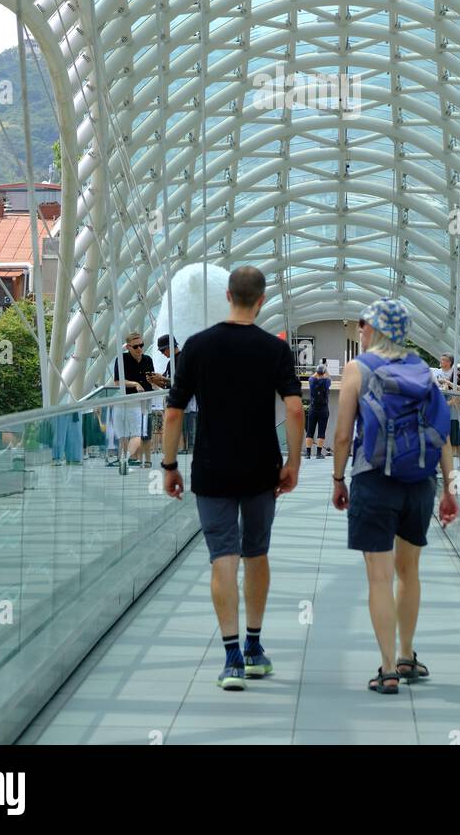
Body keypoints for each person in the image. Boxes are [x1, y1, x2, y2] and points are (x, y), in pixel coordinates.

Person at [163, 265, 305, 691]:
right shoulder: (275, 350)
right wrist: (293, 462)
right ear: (261, 300)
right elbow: (296, 410)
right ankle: (255, 647)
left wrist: (169, 465)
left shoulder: (197, 347)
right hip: (261, 465)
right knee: (256, 553)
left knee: (222, 557)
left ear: (228, 295)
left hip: (211, 467)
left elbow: (173, 412)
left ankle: (231, 659)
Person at [331, 298, 459, 694]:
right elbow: (442, 435)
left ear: (375, 328)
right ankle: (407, 656)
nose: (360, 330)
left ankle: (387, 669)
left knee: (379, 577)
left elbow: (341, 434)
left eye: (364, 325)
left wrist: (338, 479)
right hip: (419, 484)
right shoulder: (423, 370)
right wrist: (450, 488)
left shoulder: (358, 369)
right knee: (409, 572)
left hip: (374, 479)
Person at [112, 332, 158, 470]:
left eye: (141, 345)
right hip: (130, 402)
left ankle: (146, 459)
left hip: (146, 400)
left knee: (146, 430)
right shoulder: (122, 359)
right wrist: (135, 384)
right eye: (136, 346)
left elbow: (152, 380)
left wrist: (158, 384)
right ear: (128, 347)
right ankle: (130, 458)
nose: (139, 349)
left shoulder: (147, 359)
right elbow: (117, 382)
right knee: (132, 432)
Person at [304, 360, 332, 458]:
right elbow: (328, 377)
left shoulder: (312, 380)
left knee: (310, 431)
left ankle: (308, 454)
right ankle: (319, 454)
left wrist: (319, 369)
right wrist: (325, 368)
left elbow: (313, 376)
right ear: (324, 372)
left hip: (313, 408)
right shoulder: (327, 381)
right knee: (321, 431)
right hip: (323, 409)